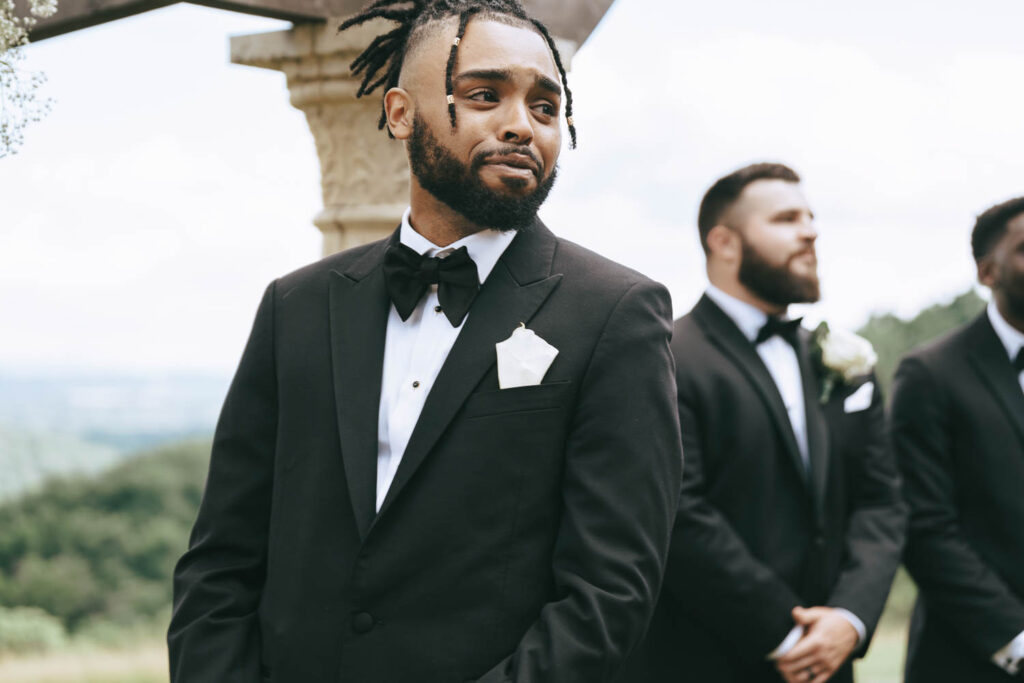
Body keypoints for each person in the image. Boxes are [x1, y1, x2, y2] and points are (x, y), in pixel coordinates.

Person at [166, 1, 682, 682]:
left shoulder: (617, 314)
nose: (520, 125)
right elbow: (221, 563)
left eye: (546, 107)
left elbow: (608, 598)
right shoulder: (294, 306)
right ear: (402, 112)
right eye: (484, 95)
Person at [622, 163, 906, 683]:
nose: (811, 230)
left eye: (812, 217)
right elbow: (679, 513)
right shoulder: (662, 357)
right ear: (725, 242)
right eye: (786, 218)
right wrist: (788, 634)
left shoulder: (840, 362)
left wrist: (849, 617)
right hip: (702, 661)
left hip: (832, 661)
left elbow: (881, 503)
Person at [891, 196, 1024, 683]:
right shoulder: (929, 374)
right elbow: (924, 526)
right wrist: (1016, 639)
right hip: (971, 659)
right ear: (989, 272)